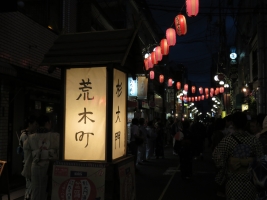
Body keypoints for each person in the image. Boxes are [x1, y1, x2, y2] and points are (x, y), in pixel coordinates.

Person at [212, 112, 263, 200]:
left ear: (233, 124)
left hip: (233, 181)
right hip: (250, 182)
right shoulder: (254, 140)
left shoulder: (227, 141)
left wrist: (227, 164)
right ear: (246, 123)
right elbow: (261, 159)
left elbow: (217, 158)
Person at [22, 114, 60, 200]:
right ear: (48, 123)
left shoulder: (30, 138)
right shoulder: (56, 136)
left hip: (35, 167)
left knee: (36, 191)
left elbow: (28, 158)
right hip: (51, 167)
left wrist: (27, 172)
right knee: (49, 190)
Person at [19, 115, 38, 200]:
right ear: (29, 124)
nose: (35, 126)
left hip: (31, 162)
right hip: (27, 162)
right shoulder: (24, 135)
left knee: (31, 185)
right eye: (34, 124)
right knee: (30, 185)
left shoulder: (30, 134)